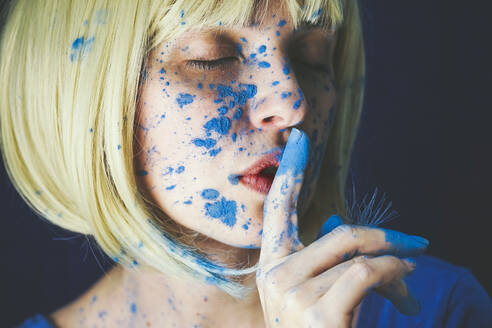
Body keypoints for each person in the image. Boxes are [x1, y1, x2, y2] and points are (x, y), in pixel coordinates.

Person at [1, 0, 491, 327]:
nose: (292, 102)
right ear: (86, 95)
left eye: (311, 56)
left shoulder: (440, 308)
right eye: (211, 57)